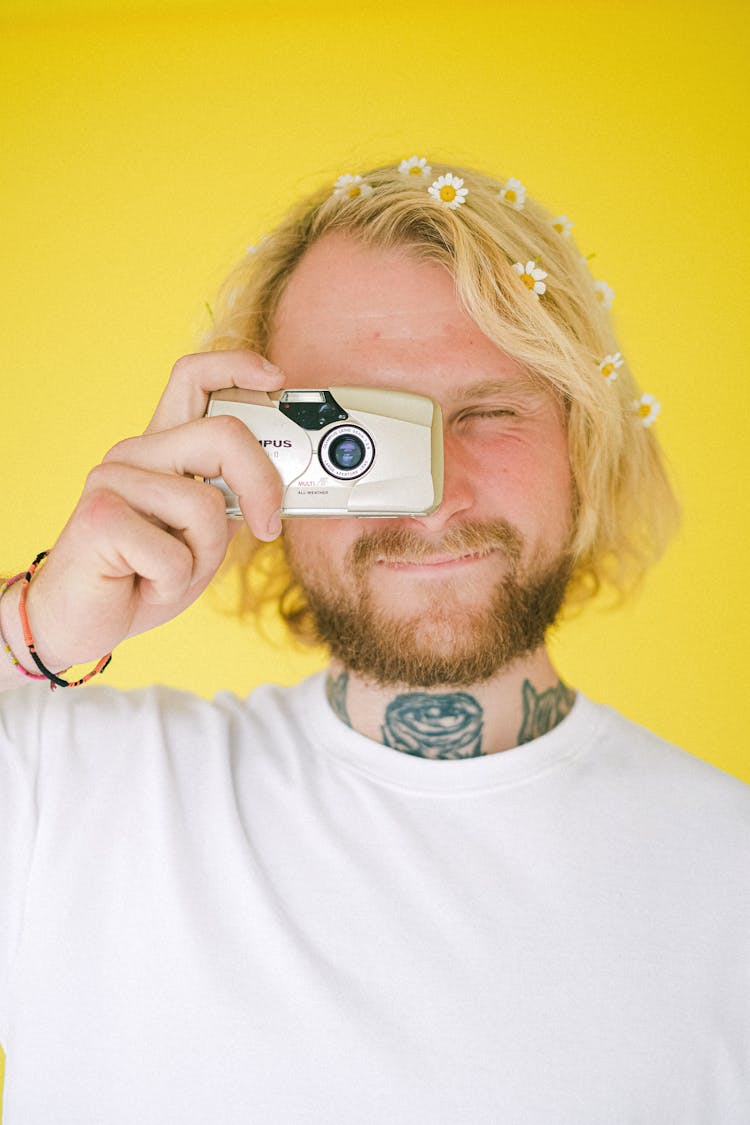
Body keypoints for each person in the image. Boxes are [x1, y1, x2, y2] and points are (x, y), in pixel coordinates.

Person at [0, 160, 748, 1124]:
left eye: (487, 413)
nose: (435, 494)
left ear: (582, 445)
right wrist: (35, 626)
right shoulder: (65, 795)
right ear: (251, 460)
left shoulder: (731, 877)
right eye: (356, 432)